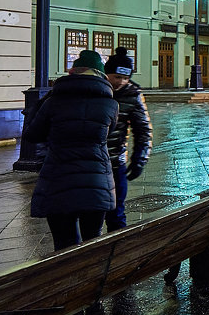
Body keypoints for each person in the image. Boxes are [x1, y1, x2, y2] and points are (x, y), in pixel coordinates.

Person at [22, 50, 118, 252]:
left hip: (58, 181)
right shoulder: (110, 105)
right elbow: (108, 134)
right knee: (92, 243)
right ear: (100, 75)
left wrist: (37, 109)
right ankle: (91, 282)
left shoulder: (53, 101)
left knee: (64, 246)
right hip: (96, 184)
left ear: (72, 73)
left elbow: (32, 135)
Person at [103, 48, 152, 232]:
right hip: (96, 162)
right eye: (116, 77)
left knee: (117, 212)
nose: (121, 82)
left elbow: (143, 129)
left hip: (116, 162)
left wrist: (140, 158)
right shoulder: (98, 90)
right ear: (107, 73)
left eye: (125, 78)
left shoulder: (133, 94)